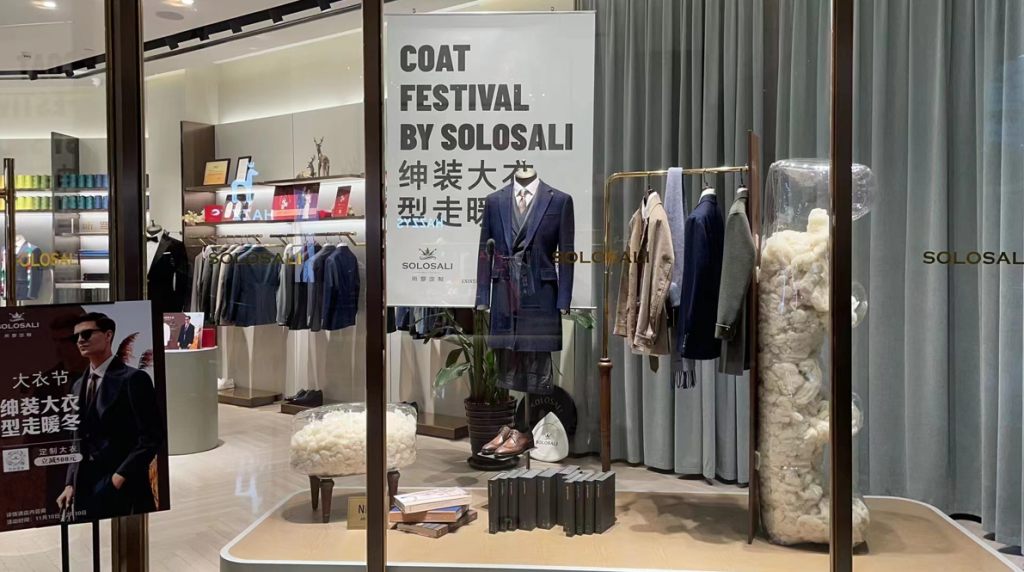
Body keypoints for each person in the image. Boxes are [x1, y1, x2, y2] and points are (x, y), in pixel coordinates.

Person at [56, 313, 164, 520]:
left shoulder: (133, 378)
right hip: (84, 484)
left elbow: (152, 436)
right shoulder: (77, 385)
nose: (80, 340)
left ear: (108, 335)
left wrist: (119, 478)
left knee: (125, 530)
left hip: (122, 482)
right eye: (76, 337)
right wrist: (70, 483)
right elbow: (76, 439)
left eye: (87, 334)